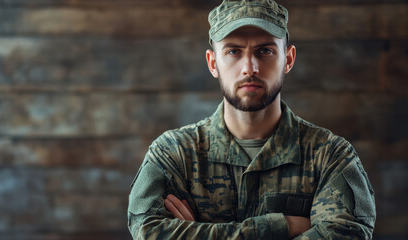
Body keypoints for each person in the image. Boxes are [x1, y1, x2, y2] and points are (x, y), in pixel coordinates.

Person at [128, 0, 376, 239]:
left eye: (265, 51)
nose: (249, 67)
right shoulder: (174, 155)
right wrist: (280, 227)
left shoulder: (330, 156)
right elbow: (148, 230)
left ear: (288, 59)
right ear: (213, 63)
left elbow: (348, 233)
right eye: (234, 51)